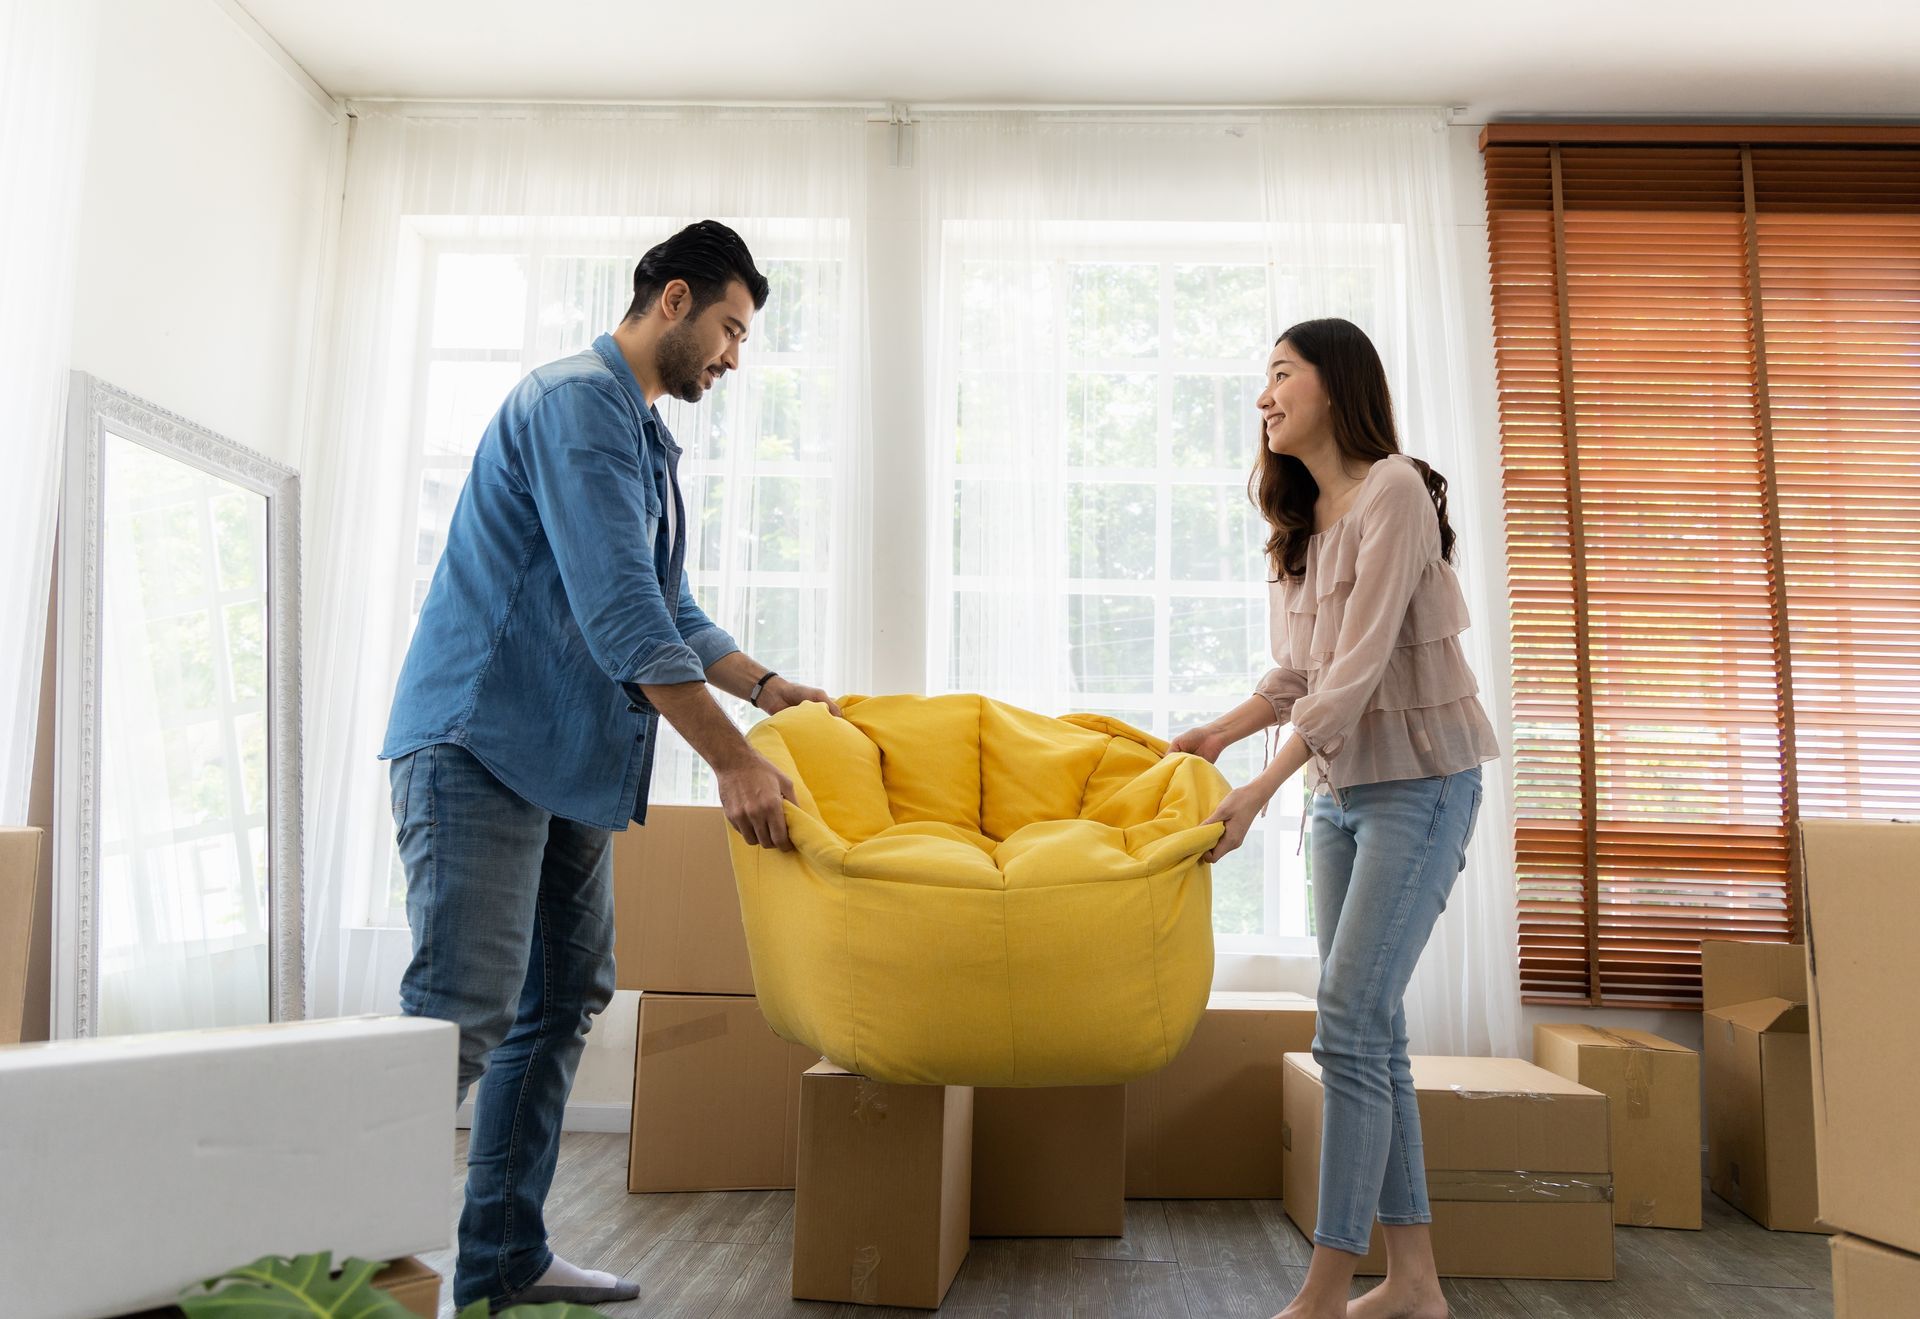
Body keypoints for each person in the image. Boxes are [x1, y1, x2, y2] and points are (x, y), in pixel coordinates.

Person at [380, 221, 837, 1309]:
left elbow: (668, 600)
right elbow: (623, 611)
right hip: (482, 744)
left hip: (567, 756)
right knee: (461, 1012)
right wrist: (732, 762)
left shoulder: (640, 436)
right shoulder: (574, 404)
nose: (733, 356)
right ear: (672, 300)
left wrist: (768, 689)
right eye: (729, 328)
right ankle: (354, 1275)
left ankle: (501, 1258)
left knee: (563, 994)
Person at [1171, 317, 1499, 1319]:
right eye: (1262, 379)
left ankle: (1322, 1285)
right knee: (1372, 1033)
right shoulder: (1304, 519)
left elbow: (1354, 677)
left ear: (1333, 384)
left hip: (1423, 786)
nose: (1263, 396)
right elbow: (1300, 673)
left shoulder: (1393, 489)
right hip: (1339, 799)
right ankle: (1413, 1281)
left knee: (1348, 1022)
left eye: (1280, 374)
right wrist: (1217, 735)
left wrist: (1257, 794)